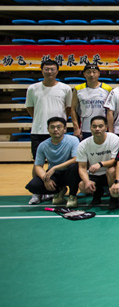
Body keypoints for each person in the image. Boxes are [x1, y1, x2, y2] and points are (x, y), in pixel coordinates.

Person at [25, 59, 72, 204]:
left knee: (60, 163)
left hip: (59, 132)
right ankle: (38, 192)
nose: (50, 71)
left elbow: (68, 109)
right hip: (39, 130)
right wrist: (42, 120)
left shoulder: (65, 88)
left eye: (52, 69)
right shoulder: (33, 88)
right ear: (42, 70)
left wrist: (58, 125)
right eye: (47, 69)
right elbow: (30, 108)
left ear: (57, 71)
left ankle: (52, 190)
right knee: (37, 162)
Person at [25, 117, 80, 208]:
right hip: (54, 174)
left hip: (70, 172)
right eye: (52, 127)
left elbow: (76, 159)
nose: (55, 130)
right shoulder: (43, 145)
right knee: (33, 186)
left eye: (58, 127)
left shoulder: (73, 140)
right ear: (48, 129)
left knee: (75, 166)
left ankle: (72, 196)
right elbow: (38, 166)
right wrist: (45, 179)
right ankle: (59, 190)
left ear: (64, 129)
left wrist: (55, 168)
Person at [76, 116, 119, 207]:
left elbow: (115, 161)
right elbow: (82, 167)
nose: (97, 129)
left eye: (100, 126)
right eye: (94, 126)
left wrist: (100, 164)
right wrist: (87, 181)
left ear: (106, 127)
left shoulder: (114, 139)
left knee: (112, 170)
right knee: (82, 186)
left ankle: (113, 197)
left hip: (109, 173)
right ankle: (97, 194)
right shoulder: (83, 144)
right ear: (90, 128)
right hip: (94, 174)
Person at [71, 63, 112, 141]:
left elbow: (110, 111)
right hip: (84, 128)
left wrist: (110, 128)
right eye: (88, 72)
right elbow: (73, 109)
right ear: (84, 74)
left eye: (94, 72)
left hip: (102, 128)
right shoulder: (78, 89)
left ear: (99, 73)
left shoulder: (107, 88)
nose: (91, 74)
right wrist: (76, 127)